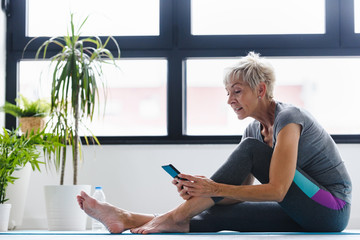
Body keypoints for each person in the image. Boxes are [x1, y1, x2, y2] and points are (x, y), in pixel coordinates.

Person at [77, 52, 352, 234]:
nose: (230, 99)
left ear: (261, 89)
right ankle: (125, 217)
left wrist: (213, 188)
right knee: (218, 213)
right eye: (227, 92)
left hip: (330, 210)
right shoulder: (253, 131)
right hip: (300, 212)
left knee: (246, 157)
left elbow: (278, 190)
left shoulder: (289, 119)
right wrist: (202, 191)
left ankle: (168, 217)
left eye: (237, 91)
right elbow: (238, 193)